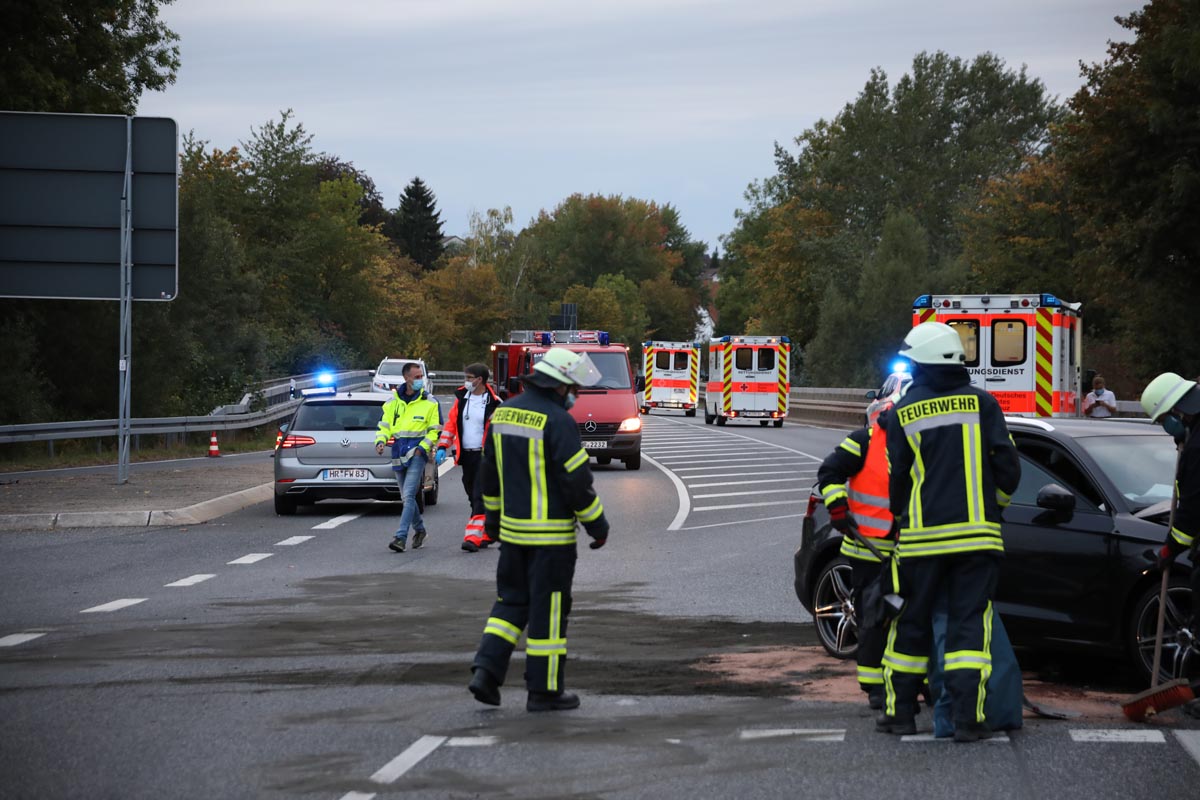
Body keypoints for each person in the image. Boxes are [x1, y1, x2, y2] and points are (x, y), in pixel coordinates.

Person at [879, 322, 1021, 742]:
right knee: (967, 630)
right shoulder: (984, 404)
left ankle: (899, 714)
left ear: (923, 362)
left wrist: (902, 521)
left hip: (922, 543)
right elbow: (1009, 471)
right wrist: (994, 507)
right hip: (978, 542)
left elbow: (898, 481)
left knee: (911, 626)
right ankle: (967, 721)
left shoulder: (903, 410)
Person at [468, 347, 610, 712]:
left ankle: (485, 672)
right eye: (573, 387)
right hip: (551, 541)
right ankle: (544, 692)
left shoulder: (503, 412)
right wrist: (597, 525)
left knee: (509, 604)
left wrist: (494, 523)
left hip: (513, 537)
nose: (574, 394)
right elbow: (576, 481)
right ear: (560, 385)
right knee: (549, 613)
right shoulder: (558, 421)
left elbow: (489, 475)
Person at [816, 374, 908, 709]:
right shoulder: (865, 440)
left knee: (909, 618)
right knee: (874, 617)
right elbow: (829, 472)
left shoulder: (925, 444)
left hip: (910, 549)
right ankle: (874, 687)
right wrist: (838, 508)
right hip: (868, 551)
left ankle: (912, 683)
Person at [1141, 372, 1200, 684]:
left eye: (1164, 418)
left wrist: (1169, 548)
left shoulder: (1196, 449)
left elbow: (1191, 511)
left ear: (1179, 411)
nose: (1166, 426)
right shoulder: (1193, 438)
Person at [435, 363, 502, 552]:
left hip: (486, 456)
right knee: (472, 495)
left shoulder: (495, 403)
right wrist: (443, 446)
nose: (466, 381)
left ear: (480, 380)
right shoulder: (462, 399)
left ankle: (472, 537)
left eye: (469, 377)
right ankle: (488, 532)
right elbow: (451, 425)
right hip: (466, 455)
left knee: (480, 495)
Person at [374, 362, 440, 553]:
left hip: (417, 454)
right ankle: (420, 530)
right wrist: (380, 441)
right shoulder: (392, 403)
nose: (420, 380)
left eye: (421, 376)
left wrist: (423, 448)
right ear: (406, 378)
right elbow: (384, 427)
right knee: (406, 498)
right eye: (417, 377)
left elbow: (434, 430)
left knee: (410, 494)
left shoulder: (430, 402)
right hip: (398, 452)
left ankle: (400, 536)